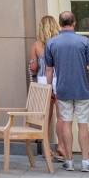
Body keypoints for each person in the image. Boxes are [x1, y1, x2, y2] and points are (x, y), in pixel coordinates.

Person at [43, 10, 89, 173]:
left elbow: (49, 69)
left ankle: (69, 161)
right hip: (82, 89)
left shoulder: (51, 43)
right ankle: (85, 161)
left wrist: (49, 89)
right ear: (74, 23)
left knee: (66, 123)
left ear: (60, 24)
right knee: (83, 125)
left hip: (62, 90)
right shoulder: (83, 41)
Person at [29, 14, 61, 157]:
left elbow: (34, 68)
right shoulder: (60, 43)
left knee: (46, 118)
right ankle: (62, 146)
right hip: (59, 80)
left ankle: (46, 149)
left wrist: (32, 64)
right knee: (62, 117)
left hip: (43, 81)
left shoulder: (37, 45)